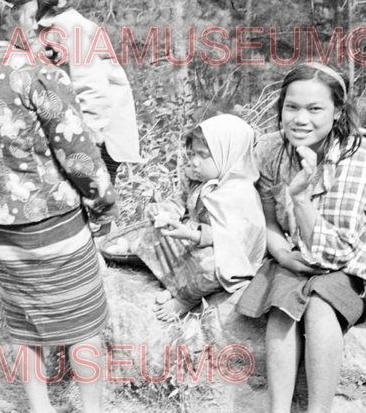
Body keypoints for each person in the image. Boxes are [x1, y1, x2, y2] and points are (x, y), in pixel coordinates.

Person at [0, 0, 132, 413]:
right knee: (84, 316)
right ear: (17, 12)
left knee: (24, 317)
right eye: (35, 9)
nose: (40, 18)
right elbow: (79, 155)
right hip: (52, 219)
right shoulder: (37, 75)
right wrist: (104, 205)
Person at [236, 63, 366, 413]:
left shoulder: (360, 156)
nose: (300, 119)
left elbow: (337, 254)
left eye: (314, 109)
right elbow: (266, 215)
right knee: (282, 298)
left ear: (338, 111)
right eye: (291, 107)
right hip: (299, 256)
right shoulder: (273, 149)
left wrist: (300, 199)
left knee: (318, 301)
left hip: (353, 262)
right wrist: (277, 249)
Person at [112, 114, 266, 321]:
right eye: (191, 154)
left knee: (209, 268)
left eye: (203, 155)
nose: (194, 162)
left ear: (228, 155)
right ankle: (177, 285)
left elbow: (234, 239)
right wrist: (162, 212)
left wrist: (193, 235)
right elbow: (179, 203)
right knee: (149, 237)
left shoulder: (240, 195)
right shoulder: (196, 179)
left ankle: (184, 300)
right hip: (191, 240)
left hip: (223, 254)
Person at [12, 0, 142, 188]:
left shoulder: (72, 27)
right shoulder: (42, 27)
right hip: (74, 127)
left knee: (95, 195)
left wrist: (88, 137)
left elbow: (92, 89)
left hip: (102, 132)